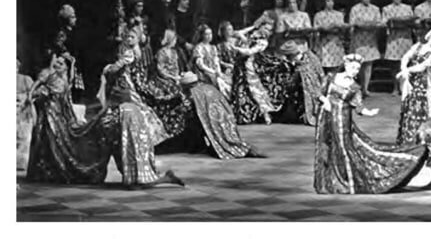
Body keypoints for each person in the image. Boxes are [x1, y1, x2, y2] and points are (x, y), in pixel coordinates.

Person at [27, 51, 184, 188]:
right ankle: (149, 177)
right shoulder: (113, 77)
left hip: (120, 118)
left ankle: (150, 177)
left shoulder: (127, 87)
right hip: (102, 116)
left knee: (128, 167)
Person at [313, 53, 427, 194]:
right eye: (353, 68)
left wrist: (369, 112)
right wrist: (325, 101)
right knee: (327, 146)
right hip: (327, 117)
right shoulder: (331, 77)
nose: (355, 71)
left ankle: (343, 179)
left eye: (357, 69)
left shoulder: (354, 86)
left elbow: (359, 107)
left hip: (343, 119)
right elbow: (318, 92)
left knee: (344, 147)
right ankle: (328, 180)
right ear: (346, 66)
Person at [178, 72, 262, 160]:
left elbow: (188, 108)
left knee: (192, 122)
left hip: (213, 117)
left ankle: (202, 145)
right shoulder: (208, 87)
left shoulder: (194, 93)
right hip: (225, 116)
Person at [396, 26, 431, 144]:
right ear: (430, 36)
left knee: (427, 108)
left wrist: (405, 71)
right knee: (411, 107)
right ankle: (409, 139)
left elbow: (422, 67)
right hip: (413, 82)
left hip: (426, 84)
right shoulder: (418, 46)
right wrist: (404, 68)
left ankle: (428, 139)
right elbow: (406, 57)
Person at [229, 20, 278, 125]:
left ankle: (266, 114)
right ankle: (240, 115)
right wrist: (253, 27)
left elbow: (250, 52)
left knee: (255, 90)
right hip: (240, 65)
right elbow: (237, 33)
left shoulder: (263, 42)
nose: (267, 31)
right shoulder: (252, 34)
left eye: (269, 30)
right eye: (265, 28)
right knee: (239, 88)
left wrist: (237, 49)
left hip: (250, 66)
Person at [348, 0, 383, 97]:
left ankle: (365, 89)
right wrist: (362, 24)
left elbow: (379, 23)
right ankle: (358, 87)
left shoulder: (375, 9)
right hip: (359, 39)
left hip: (370, 40)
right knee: (358, 64)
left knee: (368, 64)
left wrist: (367, 24)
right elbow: (352, 23)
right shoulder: (355, 9)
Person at [381, 0, 415, 95]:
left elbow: (412, 21)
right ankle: (395, 87)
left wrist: (403, 22)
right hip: (393, 38)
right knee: (394, 64)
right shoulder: (386, 9)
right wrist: (392, 22)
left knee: (406, 63)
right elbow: (383, 22)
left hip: (405, 38)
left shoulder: (407, 8)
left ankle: (405, 86)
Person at [192, 24, 232, 99]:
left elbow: (216, 62)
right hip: (204, 73)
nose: (209, 36)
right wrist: (213, 72)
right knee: (219, 83)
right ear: (202, 35)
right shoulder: (199, 47)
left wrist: (218, 71)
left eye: (210, 34)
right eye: (206, 34)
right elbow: (200, 65)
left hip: (214, 72)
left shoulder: (213, 47)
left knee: (227, 80)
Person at [313, 0, 349, 73]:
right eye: (328, 1)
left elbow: (342, 28)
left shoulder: (339, 15)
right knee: (323, 67)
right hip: (323, 42)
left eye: (332, 1)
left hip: (336, 42)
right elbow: (316, 29)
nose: (330, 3)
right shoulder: (318, 15)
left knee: (337, 67)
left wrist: (337, 27)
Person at [167, 0, 196, 64]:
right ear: (179, 1)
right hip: (178, 45)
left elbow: (194, 30)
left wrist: (192, 43)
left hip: (191, 45)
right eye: (184, 0)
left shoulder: (191, 15)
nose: (187, 2)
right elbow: (173, 32)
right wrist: (184, 43)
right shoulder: (173, 15)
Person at [17, 58, 35, 173]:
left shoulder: (25, 79)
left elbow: (35, 92)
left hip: (23, 111)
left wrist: (25, 98)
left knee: (24, 138)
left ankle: (21, 163)